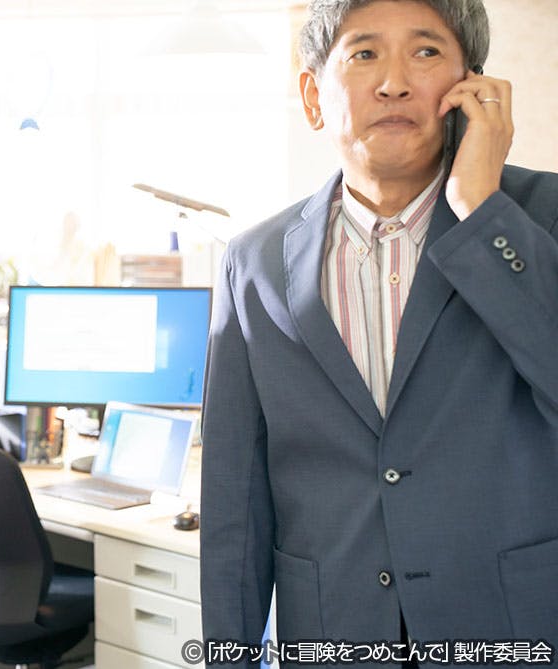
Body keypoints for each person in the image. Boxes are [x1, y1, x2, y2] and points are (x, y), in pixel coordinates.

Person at [200, 0, 558, 664]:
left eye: (425, 52)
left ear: (473, 88)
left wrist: (482, 210)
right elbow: (233, 498)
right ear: (314, 97)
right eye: (364, 53)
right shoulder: (254, 261)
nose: (394, 82)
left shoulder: (541, 219)